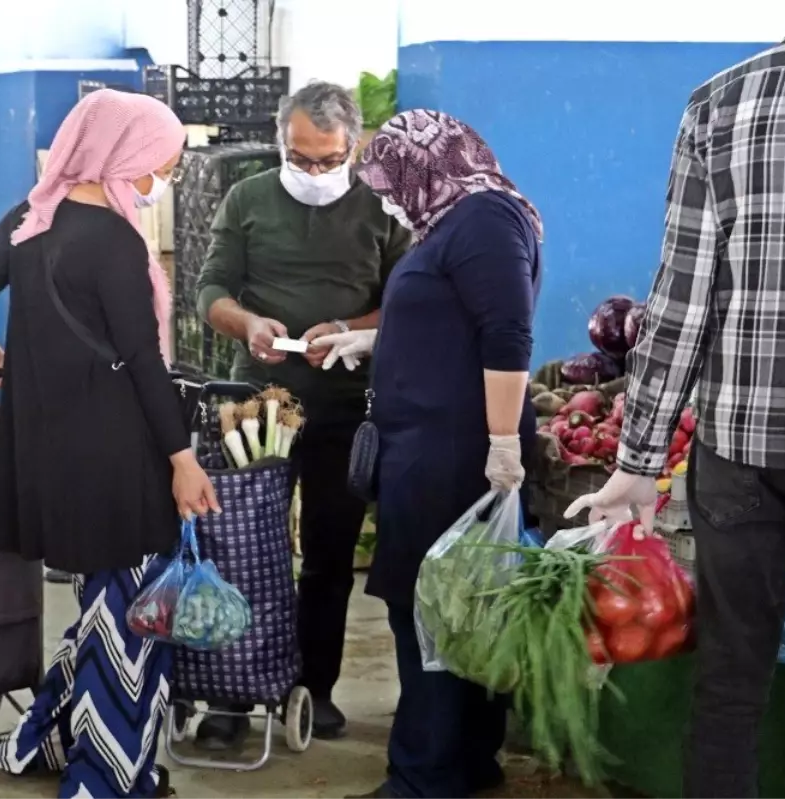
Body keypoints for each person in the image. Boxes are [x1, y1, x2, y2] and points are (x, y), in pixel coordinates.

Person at [565, 5, 785, 797]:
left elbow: (681, 300)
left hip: (740, 448)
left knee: (730, 676)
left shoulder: (720, 101)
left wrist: (638, 459)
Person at [0, 88, 219, 798]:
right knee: (130, 616)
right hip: (116, 458)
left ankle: (46, 737)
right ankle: (106, 776)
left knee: (106, 605)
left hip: (44, 454)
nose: (166, 172)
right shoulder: (114, 241)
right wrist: (182, 458)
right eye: (164, 158)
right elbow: (143, 360)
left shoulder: (32, 218)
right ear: (126, 150)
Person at [313, 110, 543, 799]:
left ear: (427, 164)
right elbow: (449, 326)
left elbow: (507, 333)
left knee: (433, 607)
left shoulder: (485, 218)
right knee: (457, 604)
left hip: (457, 455)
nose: (385, 197)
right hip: (429, 447)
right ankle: (467, 758)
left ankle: (424, 775)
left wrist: (503, 445)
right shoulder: (448, 224)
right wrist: (371, 345)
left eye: (390, 180)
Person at [195, 79, 411, 747]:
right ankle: (231, 692)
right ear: (280, 141)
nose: (312, 172)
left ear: (354, 147)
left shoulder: (382, 208)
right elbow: (210, 288)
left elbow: (404, 301)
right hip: (256, 404)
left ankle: (314, 687)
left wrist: (348, 328)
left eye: (327, 160)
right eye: (299, 156)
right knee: (241, 548)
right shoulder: (248, 198)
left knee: (328, 552)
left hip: (345, 406)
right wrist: (248, 322)